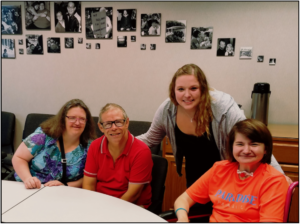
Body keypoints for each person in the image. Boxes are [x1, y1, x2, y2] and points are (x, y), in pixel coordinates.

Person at [136, 63, 292, 218]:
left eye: (193, 88)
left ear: (203, 89)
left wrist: (279, 176)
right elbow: (150, 138)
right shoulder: (168, 109)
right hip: (198, 176)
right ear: (173, 90)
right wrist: (121, 141)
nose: (187, 95)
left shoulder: (223, 108)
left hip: (228, 177)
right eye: (181, 89)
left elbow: (250, 139)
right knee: (199, 214)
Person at [174, 119, 289, 222]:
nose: (246, 150)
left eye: (254, 144)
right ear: (232, 147)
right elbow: (183, 199)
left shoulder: (274, 180)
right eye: (240, 144)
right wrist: (183, 218)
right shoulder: (219, 169)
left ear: (266, 149)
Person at [12, 99, 97, 189]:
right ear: (62, 119)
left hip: (66, 192)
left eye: (82, 119)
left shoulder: (90, 146)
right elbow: (19, 157)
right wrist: (28, 179)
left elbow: (90, 178)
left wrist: (66, 185)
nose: (77, 122)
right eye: (72, 118)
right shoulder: (43, 135)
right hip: (31, 188)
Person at [83, 103, 153, 209]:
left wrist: (110, 213)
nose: (114, 128)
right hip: (100, 203)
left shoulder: (142, 151)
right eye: (108, 124)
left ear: (127, 123)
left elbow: (133, 195)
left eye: (118, 122)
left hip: (133, 207)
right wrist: (92, 207)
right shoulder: (95, 146)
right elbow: (88, 185)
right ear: (101, 127)